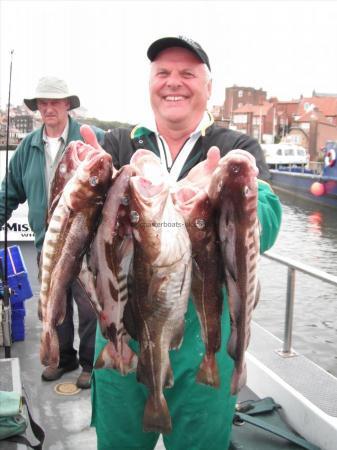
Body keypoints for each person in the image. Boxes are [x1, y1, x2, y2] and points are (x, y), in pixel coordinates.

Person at [91, 36, 282, 449]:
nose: (172, 82)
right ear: (150, 84)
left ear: (208, 87)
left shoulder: (237, 150)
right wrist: (85, 187)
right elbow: (89, 229)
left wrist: (219, 194)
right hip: (120, 333)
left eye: (187, 74)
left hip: (202, 340)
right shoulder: (117, 144)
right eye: (163, 73)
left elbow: (265, 222)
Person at [0, 76, 104, 389]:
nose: (47, 108)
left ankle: (89, 363)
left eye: (54, 102)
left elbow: (116, 186)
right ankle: (63, 358)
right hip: (48, 243)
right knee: (53, 305)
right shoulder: (27, 147)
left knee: (89, 308)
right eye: (42, 103)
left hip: (88, 245)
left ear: (68, 105)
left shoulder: (92, 139)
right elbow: (9, 193)